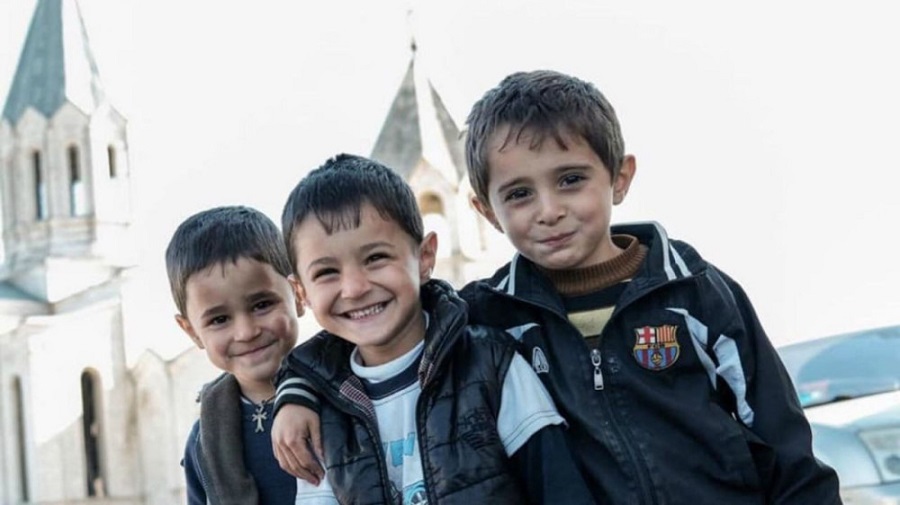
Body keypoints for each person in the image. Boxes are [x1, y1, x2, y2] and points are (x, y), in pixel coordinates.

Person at [274, 71, 844, 504]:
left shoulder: (697, 293)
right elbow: (379, 323)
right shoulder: (483, 317)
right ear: (487, 211)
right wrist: (295, 392)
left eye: (570, 180)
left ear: (619, 177)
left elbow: (784, 442)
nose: (548, 210)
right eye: (519, 194)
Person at [271, 153, 594, 504]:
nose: (355, 288)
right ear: (301, 292)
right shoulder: (318, 410)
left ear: (425, 258)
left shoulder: (491, 364)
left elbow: (558, 487)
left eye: (376, 258)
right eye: (326, 272)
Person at [165, 205, 301, 505]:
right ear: (192, 331)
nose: (246, 332)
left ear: (298, 294)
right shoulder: (205, 442)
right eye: (219, 319)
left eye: (262, 305)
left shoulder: (346, 393)